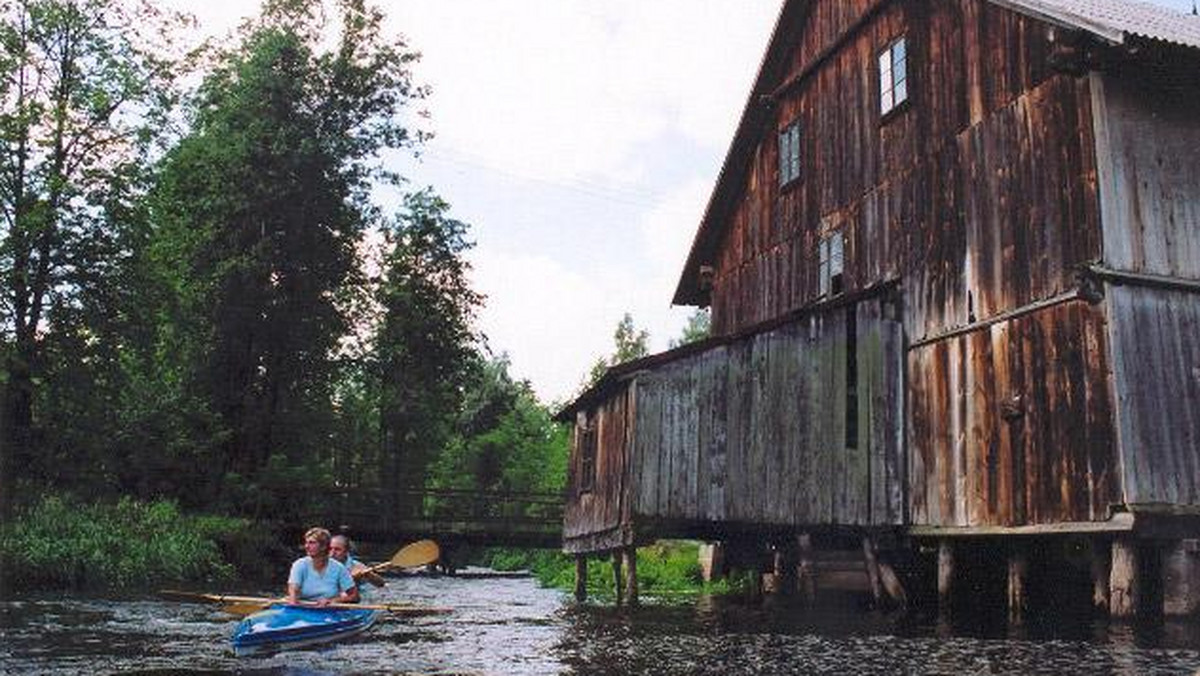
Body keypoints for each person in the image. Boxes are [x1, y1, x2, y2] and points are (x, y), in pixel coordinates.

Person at [286, 527, 358, 606]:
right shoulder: (299, 565)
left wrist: (331, 601)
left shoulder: (339, 568)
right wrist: (293, 604)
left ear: (323, 546)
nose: (306, 546)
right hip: (303, 608)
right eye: (306, 543)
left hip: (328, 611)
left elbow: (354, 596)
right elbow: (293, 591)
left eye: (312, 543)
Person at [330, 534, 386, 599]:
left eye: (337, 549)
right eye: (330, 549)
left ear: (346, 551)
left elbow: (382, 584)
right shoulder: (320, 563)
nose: (332, 553)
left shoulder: (357, 566)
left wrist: (368, 574)